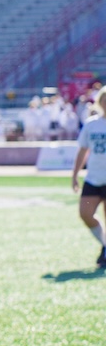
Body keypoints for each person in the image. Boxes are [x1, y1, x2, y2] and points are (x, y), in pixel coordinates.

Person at [72, 87, 106, 268]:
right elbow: (83, 150)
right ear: (99, 102)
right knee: (85, 214)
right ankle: (105, 245)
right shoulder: (91, 124)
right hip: (94, 177)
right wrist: (75, 174)